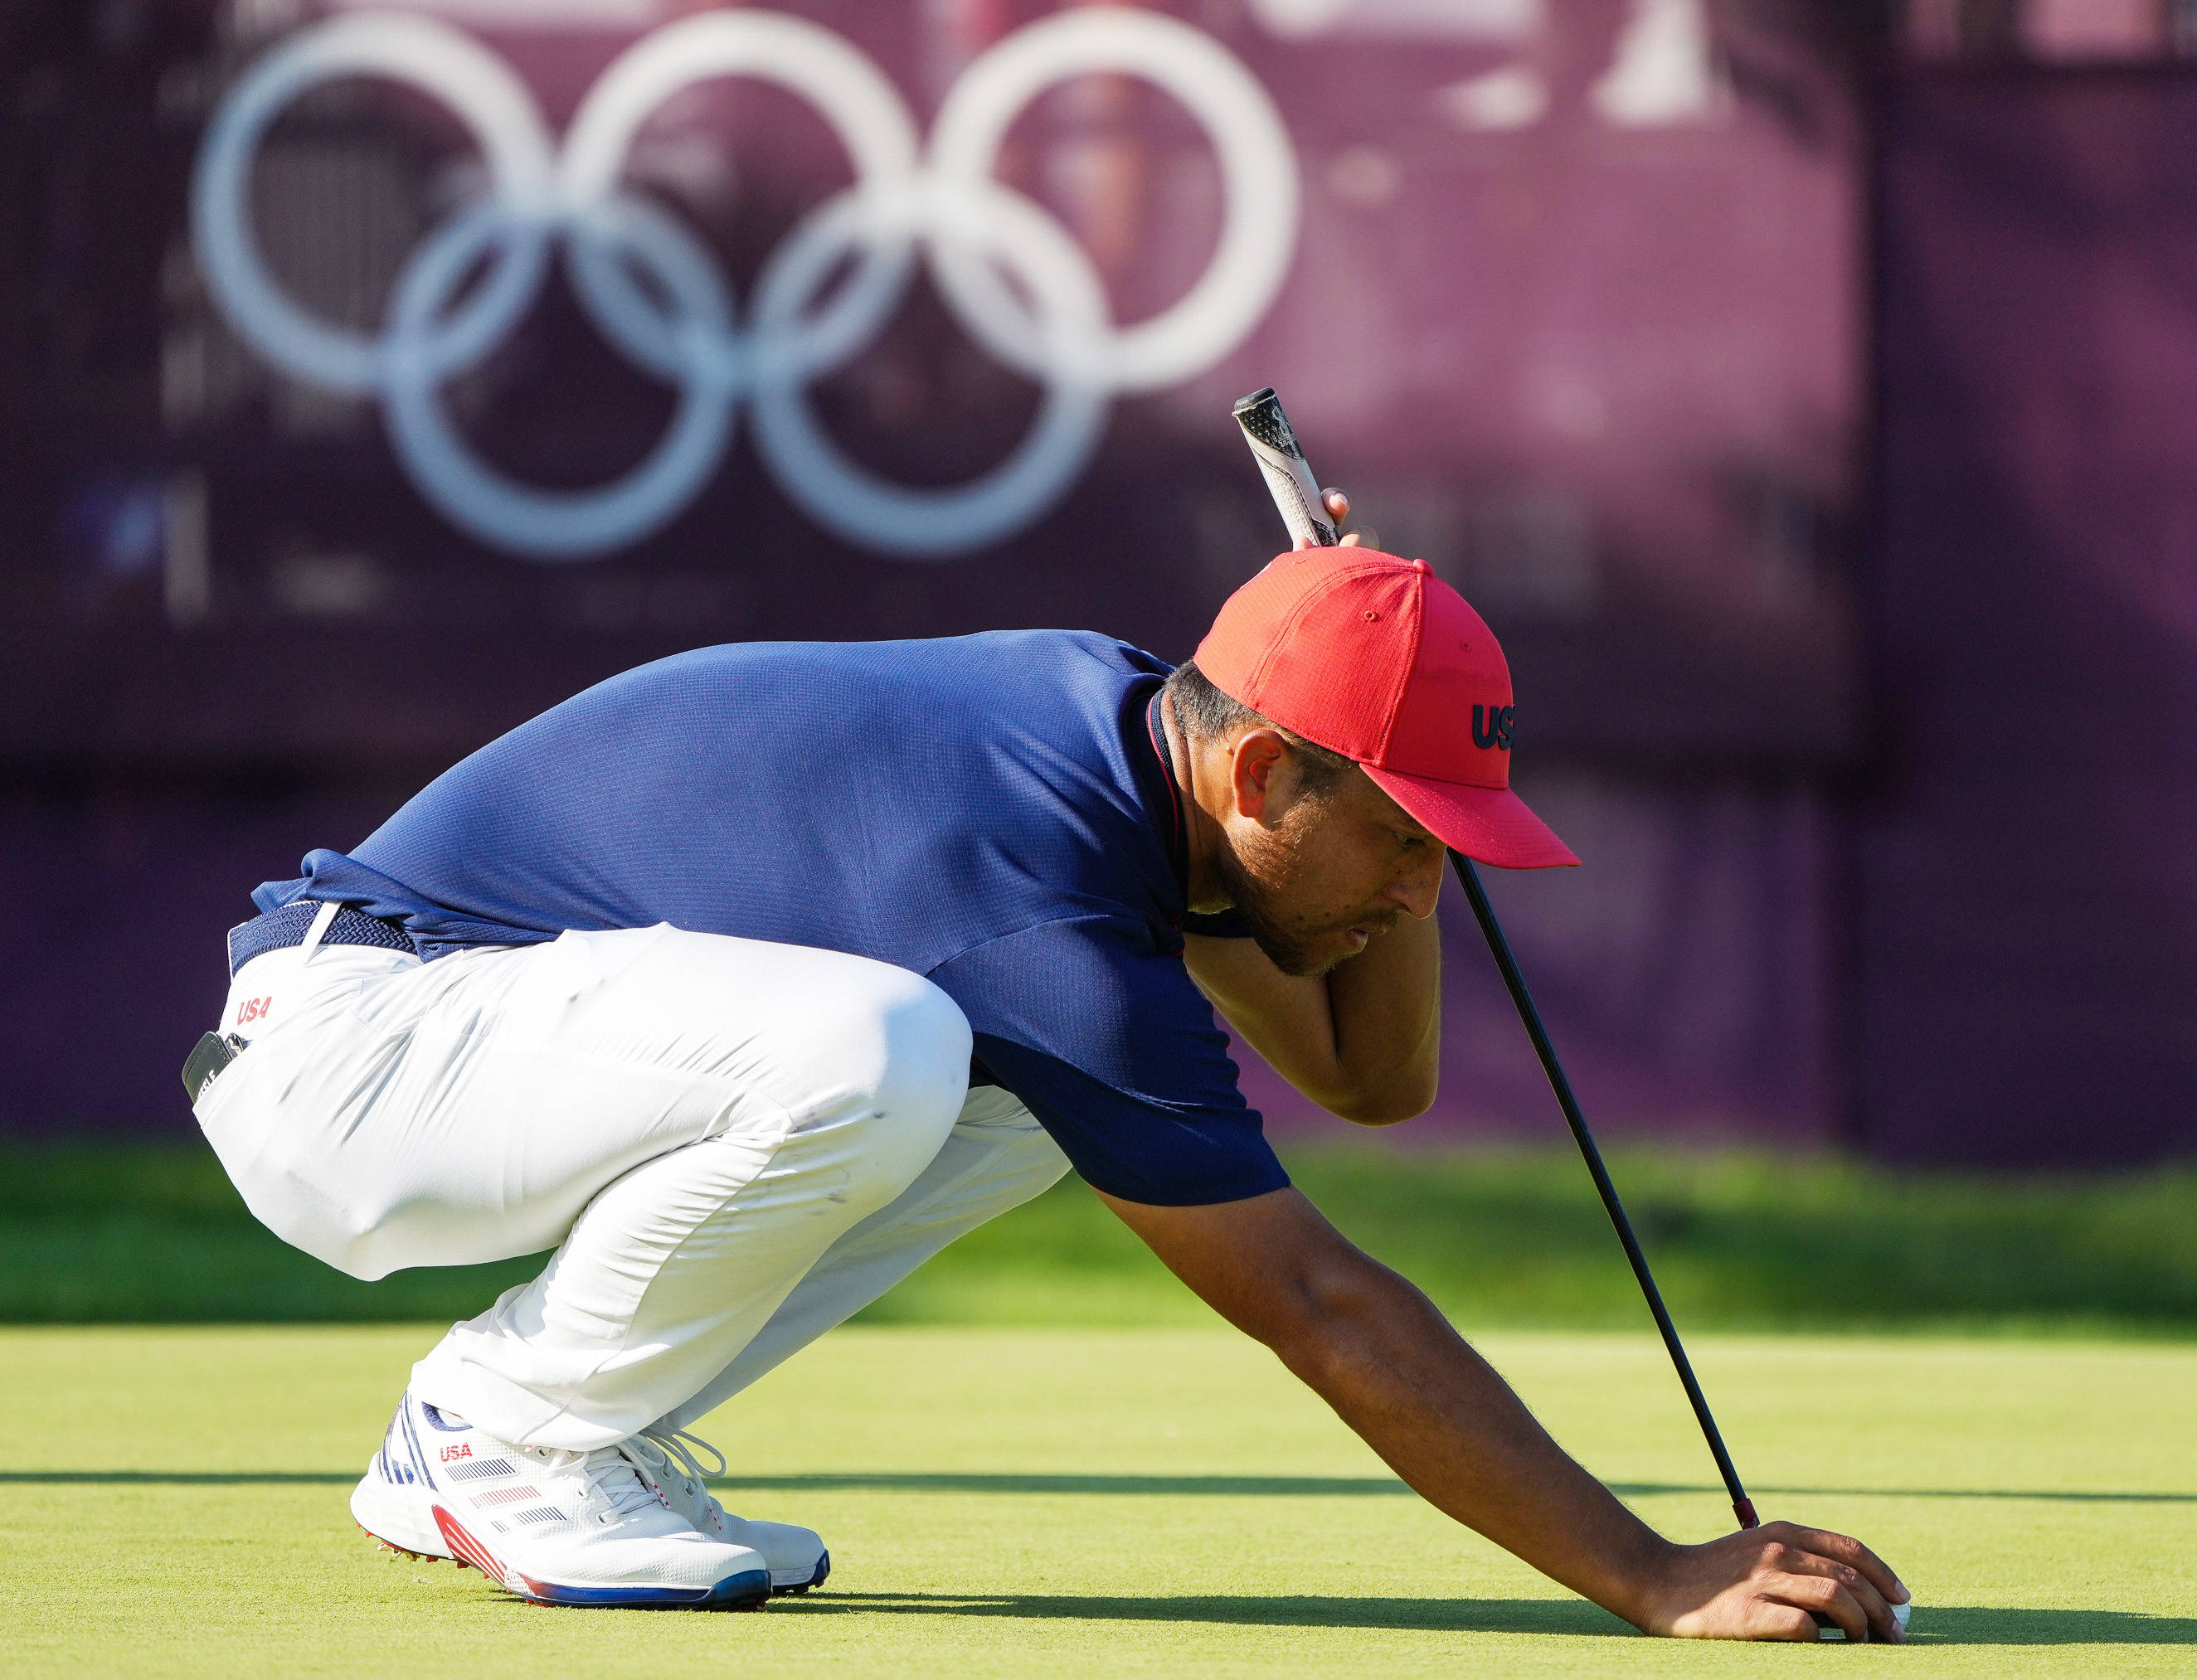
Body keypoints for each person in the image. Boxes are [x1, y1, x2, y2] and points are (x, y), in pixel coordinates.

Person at [185, 497, 1908, 1638]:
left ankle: (569, 1427)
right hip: (356, 1049)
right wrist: (1648, 1571)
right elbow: (1322, 1302)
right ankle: (504, 1435)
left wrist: (1371, 721)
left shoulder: (1145, 753)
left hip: (472, 1043)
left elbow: (1372, 1077)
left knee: (1001, 1095)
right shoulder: (1037, 894)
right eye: (1404, 836)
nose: (1421, 889)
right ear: (1256, 780)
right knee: (888, 1047)